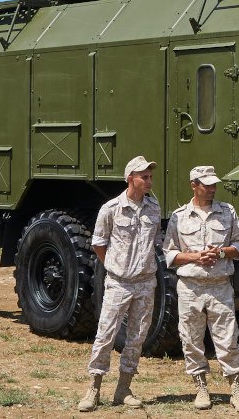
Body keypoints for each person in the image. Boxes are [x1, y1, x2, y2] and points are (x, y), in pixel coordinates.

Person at [162, 166, 239, 412]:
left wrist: (221, 252)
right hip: (190, 288)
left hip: (220, 287)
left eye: (214, 185)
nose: (212, 189)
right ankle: (201, 387)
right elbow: (169, 254)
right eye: (207, 185)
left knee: (228, 340)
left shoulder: (227, 212)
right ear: (194, 185)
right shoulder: (179, 216)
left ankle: (236, 390)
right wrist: (194, 257)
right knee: (191, 340)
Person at [78, 155, 162, 412]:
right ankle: (94, 388)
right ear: (131, 178)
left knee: (136, 338)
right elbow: (98, 243)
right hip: (119, 283)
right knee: (106, 335)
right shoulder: (111, 208)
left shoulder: (154, 208)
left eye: (150, 177)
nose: (149, 181)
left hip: (146, 283)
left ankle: (124, 389)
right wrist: (116, 267)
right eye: (144, 177)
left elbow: (155, 241)